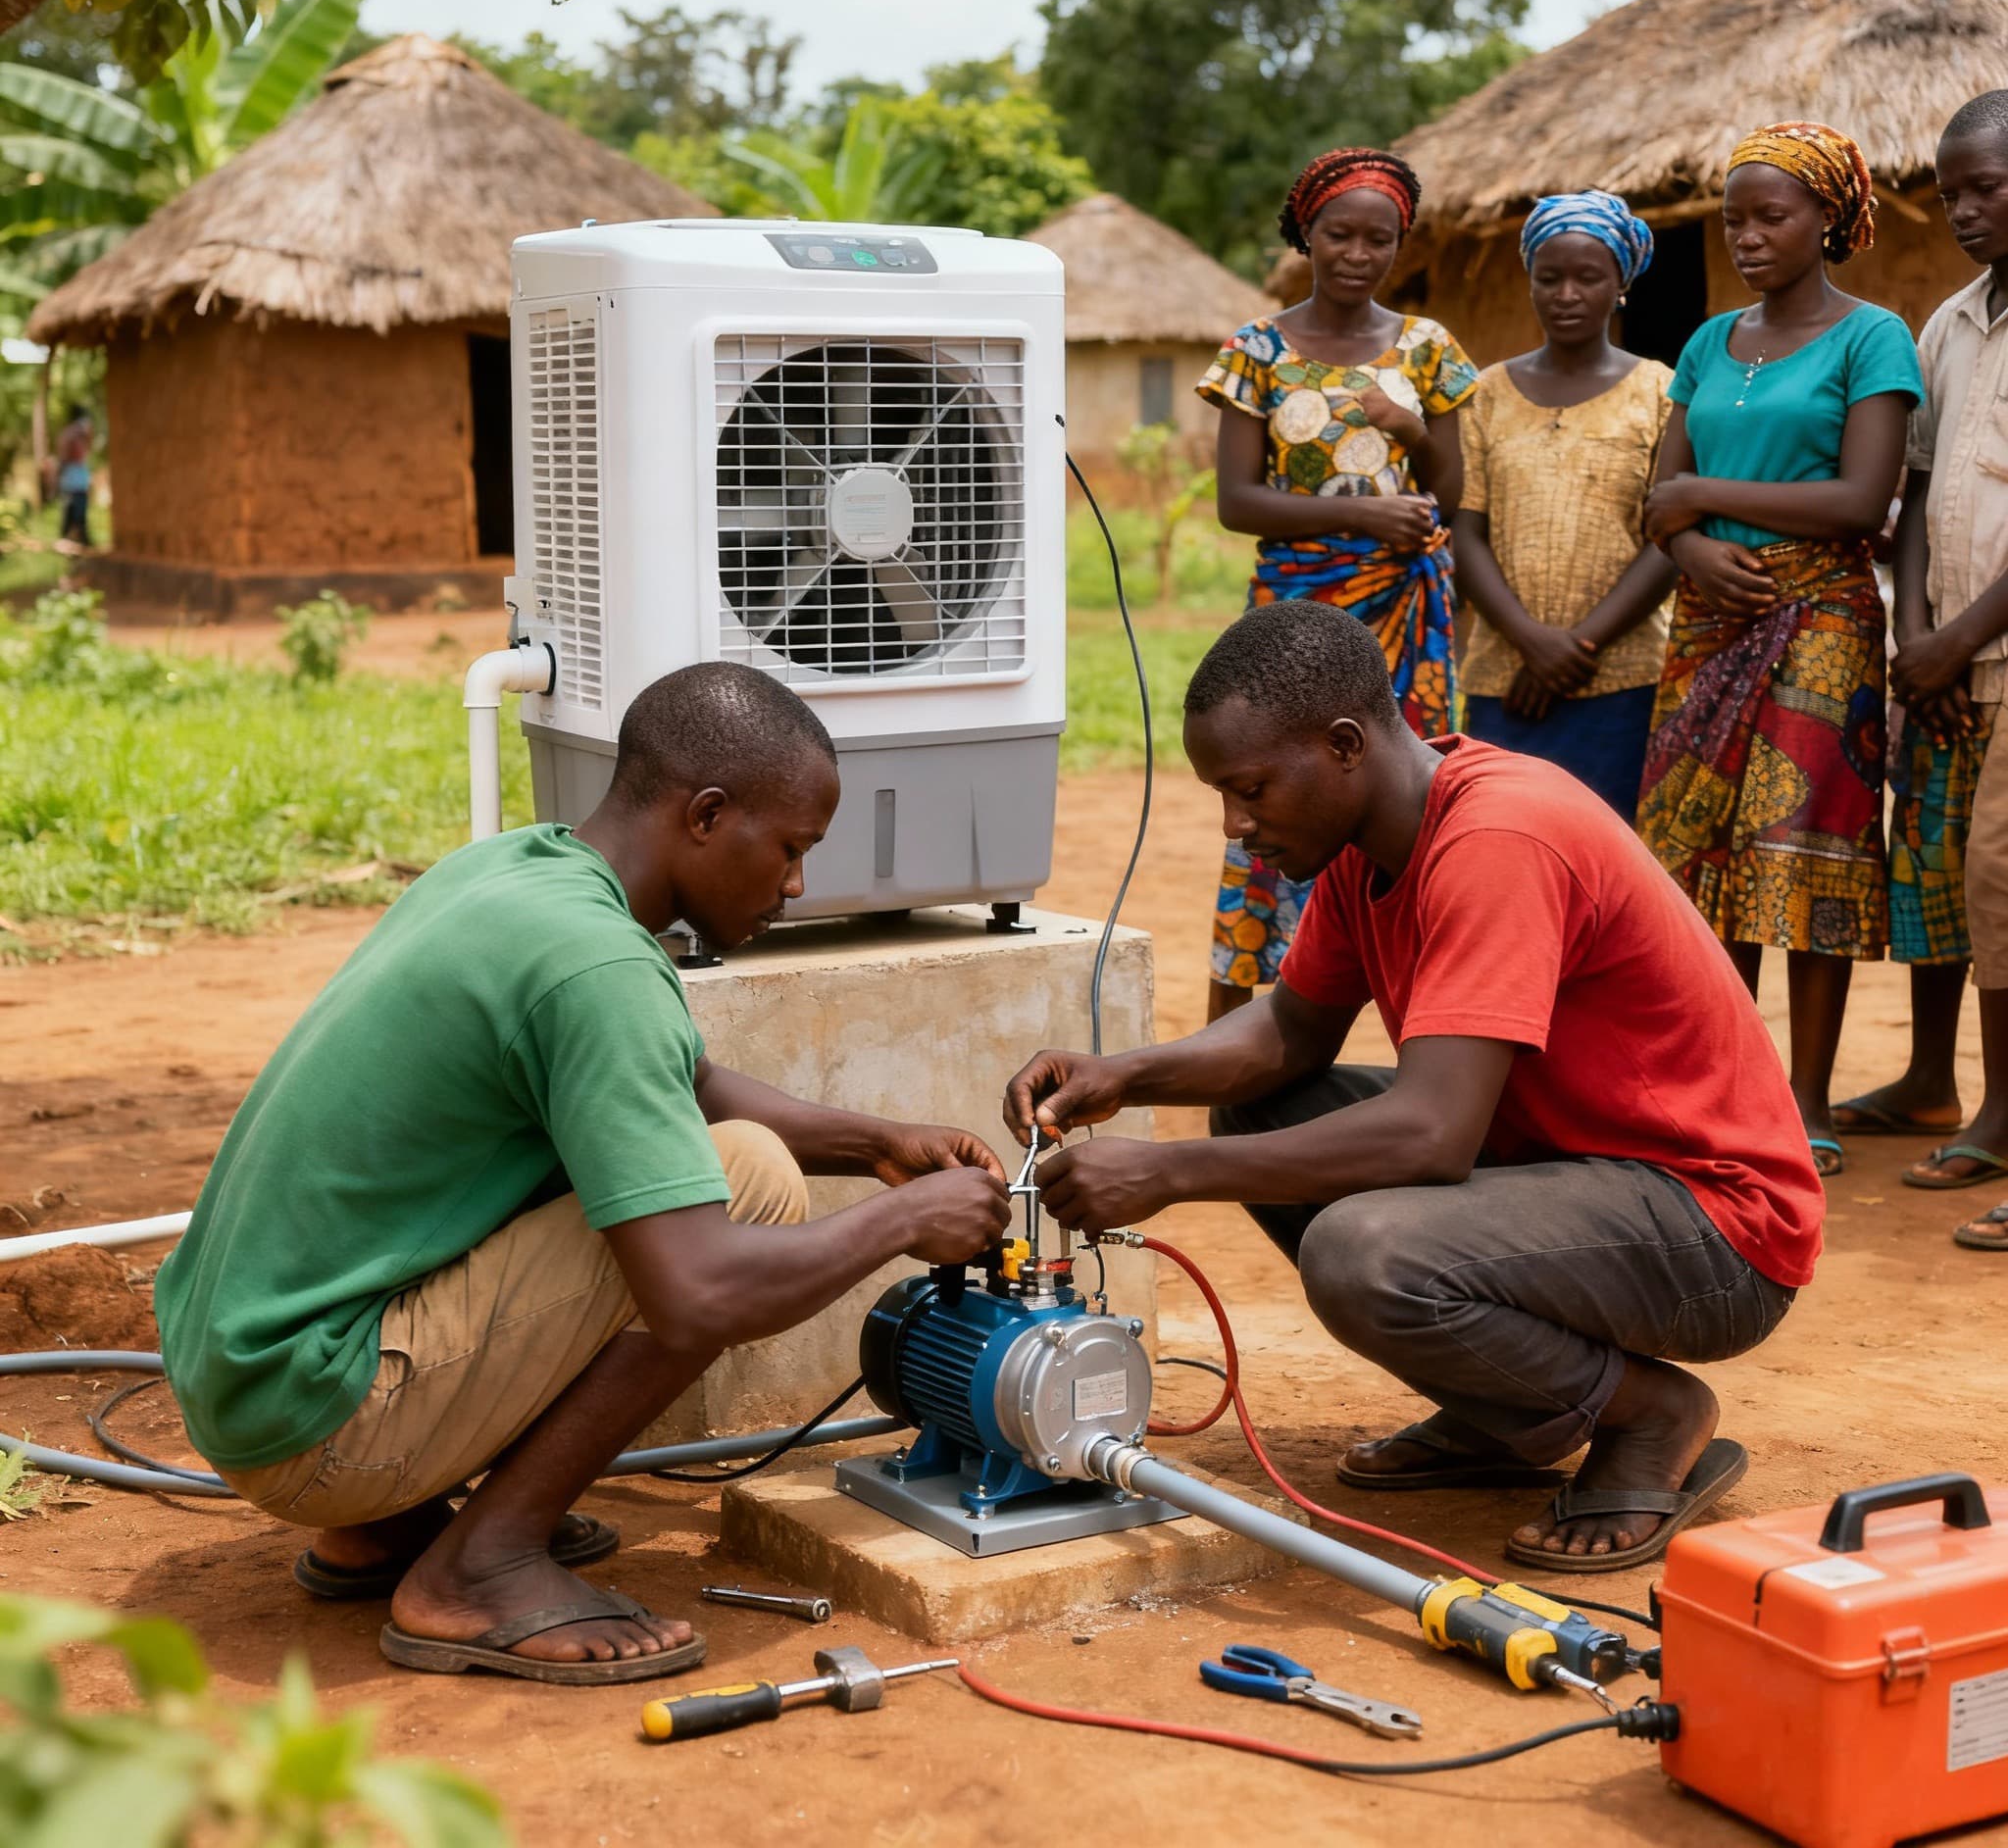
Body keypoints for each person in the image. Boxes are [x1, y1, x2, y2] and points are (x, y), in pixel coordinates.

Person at [154, 662, 1011, 1684]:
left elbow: (678, 1082)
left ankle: (387, 1527)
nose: (793, 884)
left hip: (244, 1371)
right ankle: (479, 1566)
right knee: (748, 1185)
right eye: (789, 848)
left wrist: (877, 1145)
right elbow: (696, 1287)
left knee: (690, 1161)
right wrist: (900, 1220)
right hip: (312, 1419)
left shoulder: (516, 872)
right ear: (704, 813)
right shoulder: (600, 970)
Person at [1005, 601, 1819, 1571]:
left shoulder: (1497, 839)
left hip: (1716, 1228)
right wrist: (1123, 1071)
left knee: (1364, 1251)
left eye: (1251, 787)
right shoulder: (1369, 844)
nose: (1236, 825)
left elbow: (1431, 1131)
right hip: (1581, 1182)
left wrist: (1167, 1170)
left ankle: (1650, 1415)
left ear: (1344, 744)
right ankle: (1513, 1414)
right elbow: (1285, 1033)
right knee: (1264, 1111)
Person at [1637, 122, 1923, 1180]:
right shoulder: (1708, 343)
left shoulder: (1870, 337)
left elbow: (1858, 498)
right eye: (1732, 219)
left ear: (1827, 221)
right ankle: (1723, 1082)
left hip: (1821, 622)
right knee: (1695, 861)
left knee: (1804, 858)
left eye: (1771, 216)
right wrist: (1692, 548)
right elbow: (1653, 503)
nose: (1747, 236)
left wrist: (1698, 503)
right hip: (1708, 620)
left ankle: (1801, 1098)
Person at [1197, 147, 1478, 1024]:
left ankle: (1427, 1027)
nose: (1358, 254)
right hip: (1294, 620)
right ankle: (1228, 1056)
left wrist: (1411, 428)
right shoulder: (1258, 350)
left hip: (1404, 616)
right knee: (1267, 804)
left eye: (1379, 239)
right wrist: (1365, 517)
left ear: (1401, 245)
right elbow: (1237, 503)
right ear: (1305, 234)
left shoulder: (1429, 348)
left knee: (1406, 812)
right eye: (1339, 234)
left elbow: (1455, 492)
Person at [1845, 91, 2008, 1235]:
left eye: (1983, 186)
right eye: (1948, 190)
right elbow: (1908, 497)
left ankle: (2003, 1116)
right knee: (1940, 868)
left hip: (1989, 647)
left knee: (2000, 880)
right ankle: (1931, 1081)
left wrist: (1954, 637)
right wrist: (1917, 634)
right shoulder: (1949, 324)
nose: (1959, 209)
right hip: (1949, 656)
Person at [1455, 191, 1677, 815]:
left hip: (1623, 679)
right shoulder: (1487, 393)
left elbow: (1667, 538)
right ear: (1530, 282)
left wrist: (1577, 648)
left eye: (1589, 277)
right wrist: (1530, 643)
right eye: (1549, 278)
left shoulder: (1660, 391)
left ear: (1621, 283)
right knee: (1498, 837)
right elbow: (1466, 531)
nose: (1568, 294)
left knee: (1611, 851)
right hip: (1505, 677)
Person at [52, 403, 92, 548]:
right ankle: (74, 539)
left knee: (75, 509)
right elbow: (70, 452)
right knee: (74, 510)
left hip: (73, 475)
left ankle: (78, 539)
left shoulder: (70, 432)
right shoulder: (74, 432)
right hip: (73, 475)